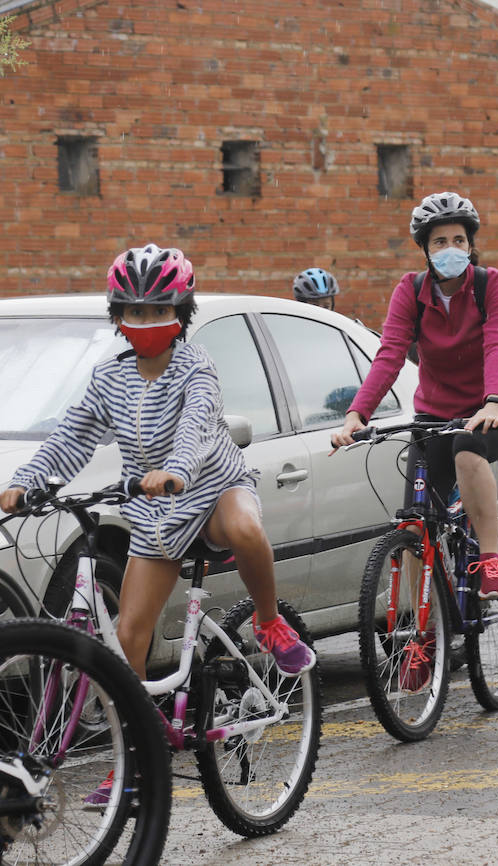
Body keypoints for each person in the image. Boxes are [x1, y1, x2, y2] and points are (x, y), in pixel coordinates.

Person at [1, 246, 315, 701]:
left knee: (246, 527)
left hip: (212, 489)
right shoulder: (108, 377)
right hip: (156, 514)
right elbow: (71, 435)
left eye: (159, 310)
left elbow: (197, 425)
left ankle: (269, 622)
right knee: (130, 636)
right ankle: (141, 749)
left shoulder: (197, 365)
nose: (146, 321)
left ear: (180, 312)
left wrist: (175, 471)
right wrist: (27, 480)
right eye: (135, 311)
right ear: (119, 314)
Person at [331, 190, 498, 616]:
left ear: (470, 245)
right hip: (435, 414)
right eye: (439, 242)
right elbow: (389, 355)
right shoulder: (410, 291)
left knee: (467, 446)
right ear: (425, 249)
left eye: (459, 240)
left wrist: (493, 401)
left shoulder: (493, 284)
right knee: (416, 522)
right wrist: (355, 415)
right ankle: (421, 636)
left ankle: (491, 559)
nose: (450, 249)